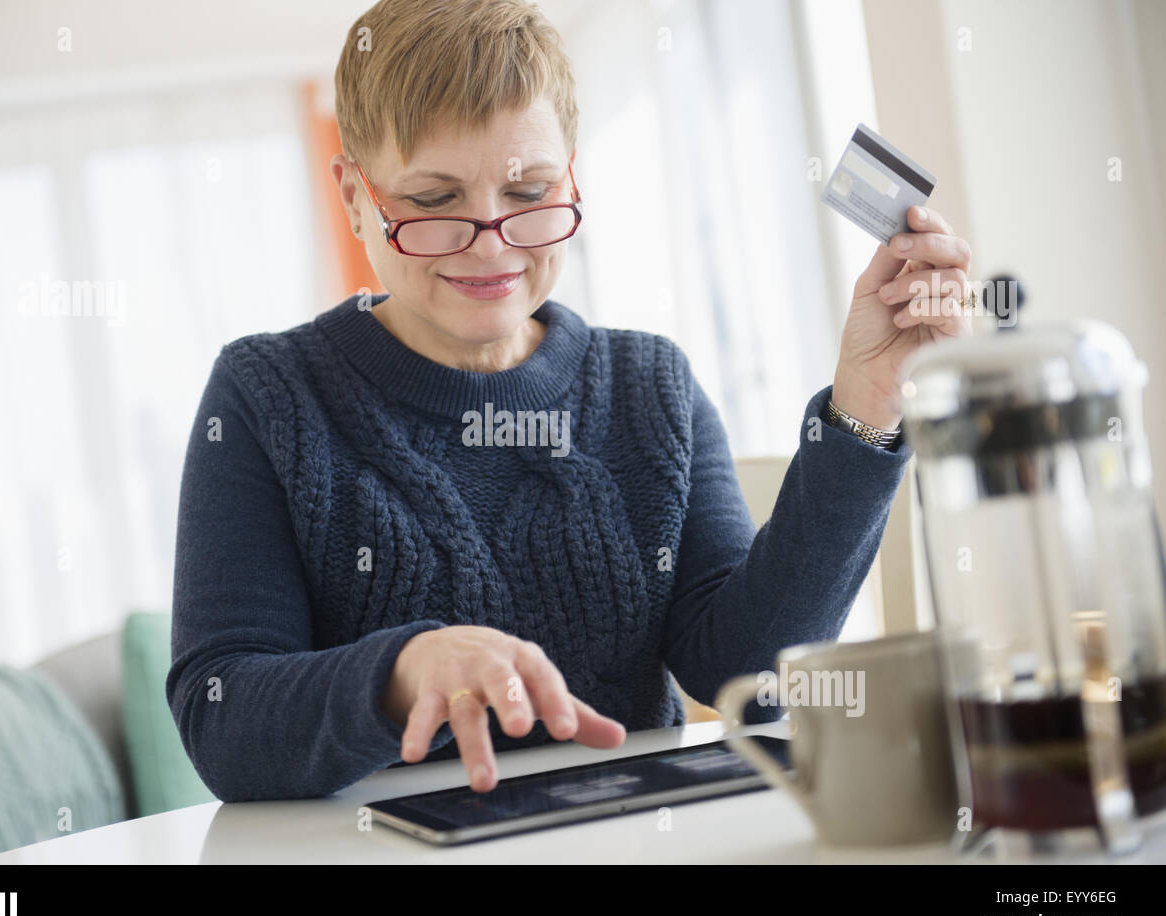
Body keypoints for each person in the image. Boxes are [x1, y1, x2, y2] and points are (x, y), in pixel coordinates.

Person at [167, 0, 972, 800]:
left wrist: (865, 401)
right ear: (354, 196)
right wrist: (401, 673)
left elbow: (749, 679)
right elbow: (223, 716)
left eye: (529, 192)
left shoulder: (650, 385)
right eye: (435, 199)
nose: (490, 240)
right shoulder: (265, 398)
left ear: (571, 175)